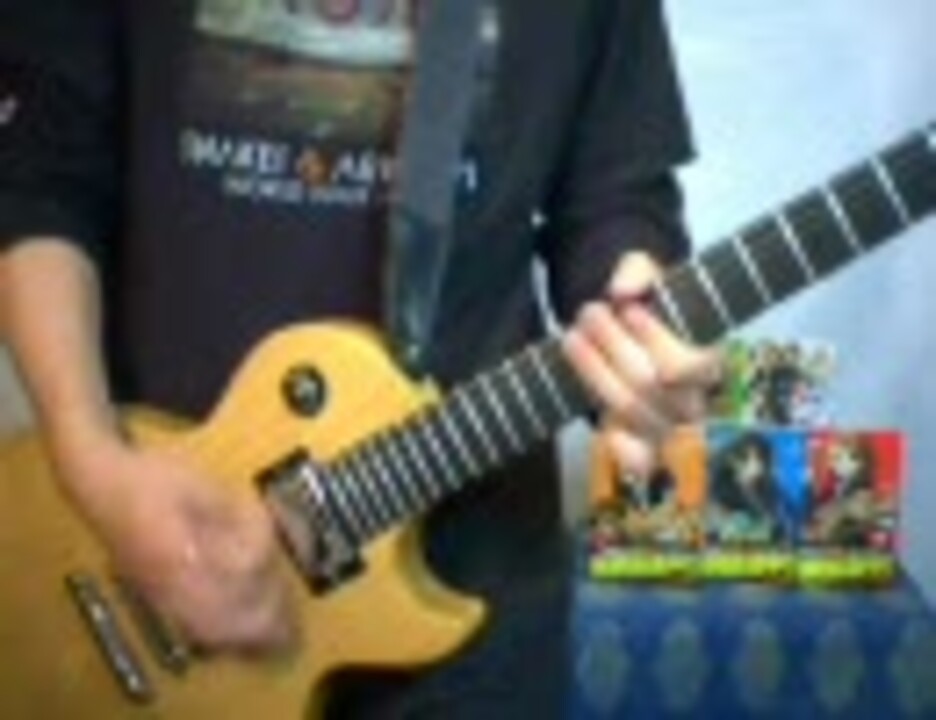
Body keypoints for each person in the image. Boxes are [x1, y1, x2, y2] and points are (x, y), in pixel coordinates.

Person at [0, 0, 720, 716]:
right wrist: (93, 465)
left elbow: (616, 195)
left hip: (476, 585)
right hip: (145, 565)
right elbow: (34, 178)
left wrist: (637, 329)